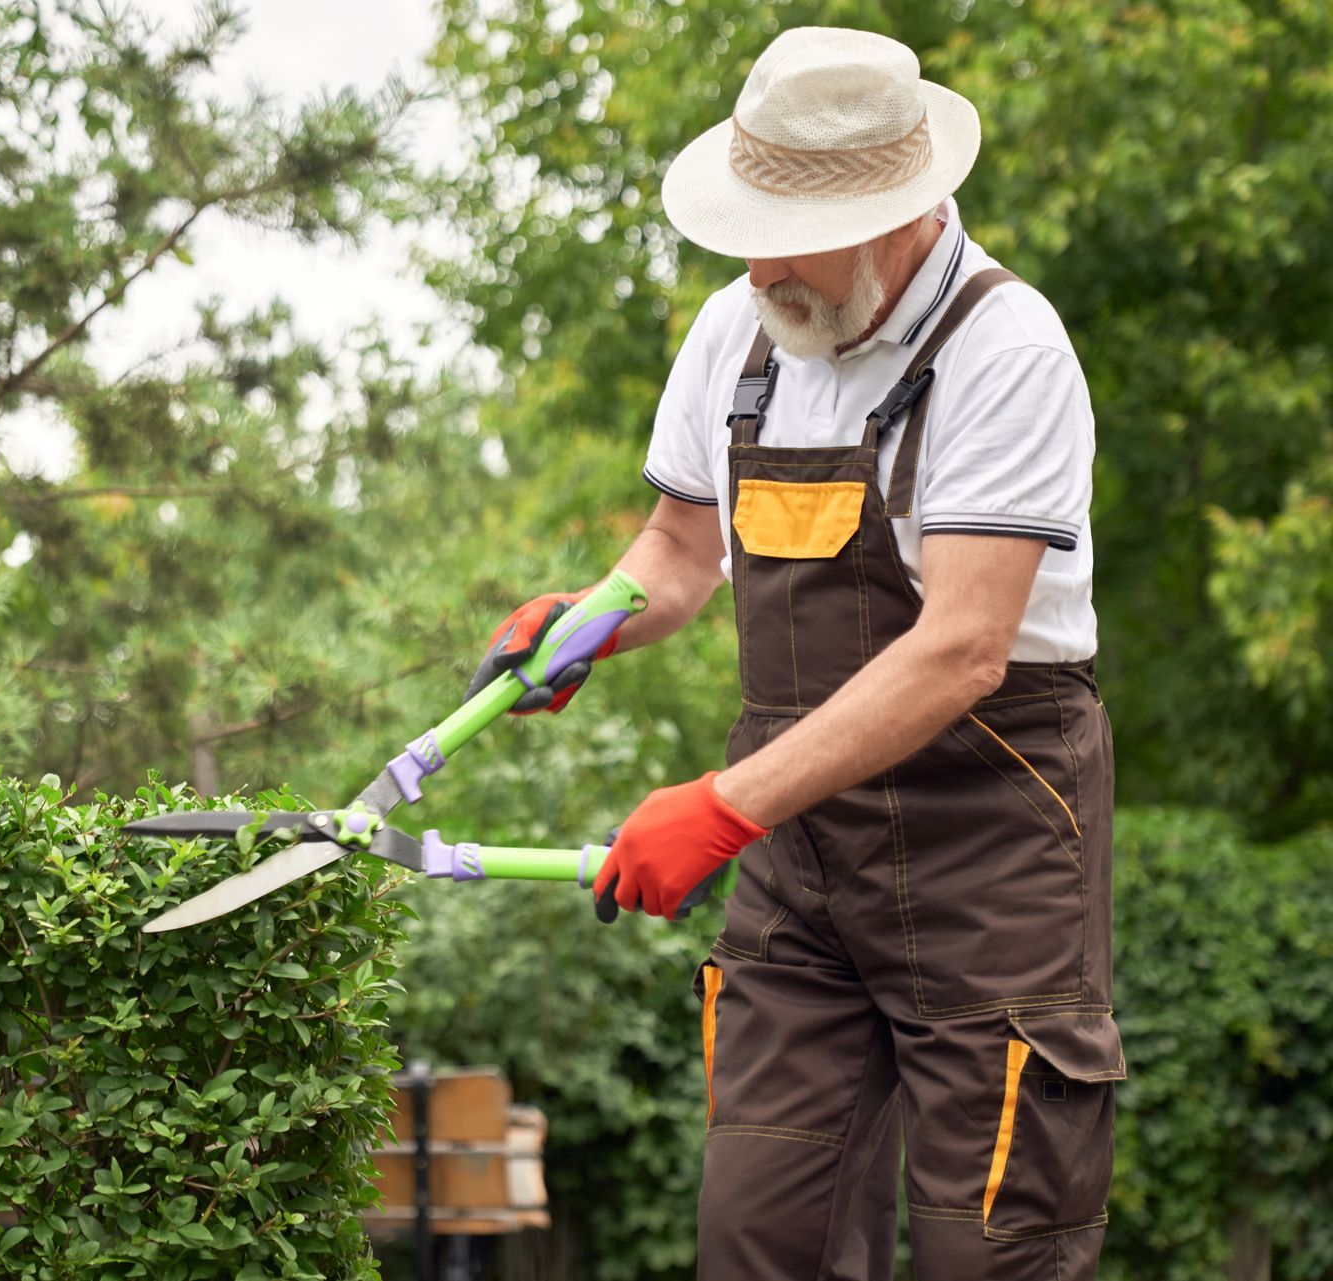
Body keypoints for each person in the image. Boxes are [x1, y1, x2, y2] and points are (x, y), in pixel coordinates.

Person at [466, 26, 1121, 1279]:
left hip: (991, 856)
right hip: (803, 872)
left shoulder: (1007, 353)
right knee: (759, 1243)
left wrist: (719, 809)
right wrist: (587, 624)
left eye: (789, 228)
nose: (760, 261)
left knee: (998, 1252)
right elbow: (674, 550)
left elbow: (963, 651)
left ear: (902, 209)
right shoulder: (742, 329)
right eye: (747, 223)